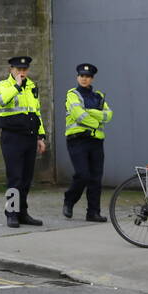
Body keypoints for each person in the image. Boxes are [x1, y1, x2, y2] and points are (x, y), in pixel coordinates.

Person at [0, 54, 47, 228]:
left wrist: (40, 137)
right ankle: (11, 213)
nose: (22, 72)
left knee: (26, 179)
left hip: (30, 137)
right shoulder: (3, 86)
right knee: (15, 178)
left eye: (25, 69)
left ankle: (22, 213)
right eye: (19, 69)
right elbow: (1, 101)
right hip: (12, 138)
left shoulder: (32, 86)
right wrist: (16, 85)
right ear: (12, 69)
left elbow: (36, 112)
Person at [62, 63, 112, 222]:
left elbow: (109, 115)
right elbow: (78, 115)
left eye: (88, 76)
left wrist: (91, 112)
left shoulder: (98, 96)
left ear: (92, 78)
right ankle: (69, 200)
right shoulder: (72, 94)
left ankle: (93, 212)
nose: (84, 79)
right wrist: (97, 120)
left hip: (96, 141)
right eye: (82, 76)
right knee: (83, 174)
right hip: (78, 139)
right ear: (77, 77)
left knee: (96, 178)